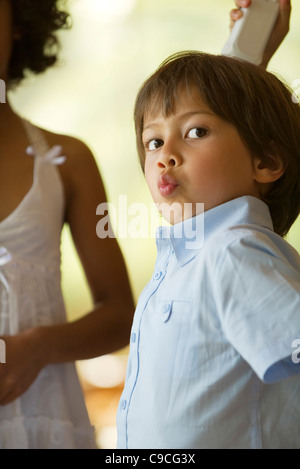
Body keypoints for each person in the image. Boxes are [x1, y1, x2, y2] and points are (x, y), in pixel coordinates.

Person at [116, 13, 300, 452]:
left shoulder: (234, 251)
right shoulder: (191, 260)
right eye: (153, 141)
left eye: (196, 132)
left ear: (266, 163)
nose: (165, 155)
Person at [0, 0, 135, 449]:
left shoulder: (69, 162)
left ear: (19, 22)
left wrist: (38, 346)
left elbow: (120, 314)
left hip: (46, 420)